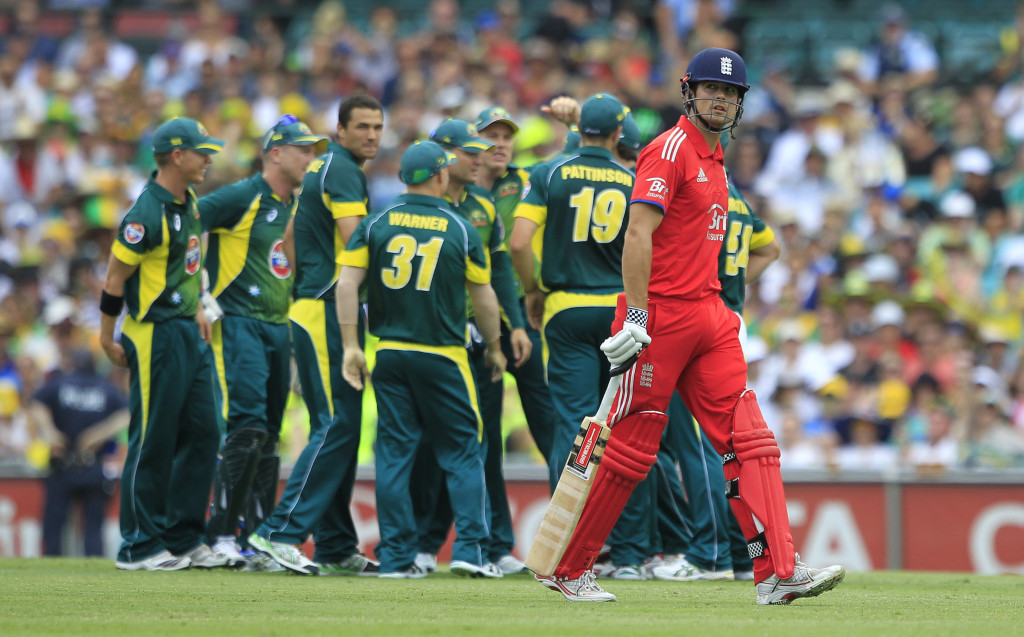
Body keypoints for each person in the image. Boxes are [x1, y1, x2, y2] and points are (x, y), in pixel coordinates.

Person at [539, 47, 845, 604]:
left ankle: (778, 572)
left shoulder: (717, 159)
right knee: (631, 452)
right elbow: (637, 235)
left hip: (709, 314)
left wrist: (726, 310)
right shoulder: (670, 149)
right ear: (689, 91)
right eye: (711, 89)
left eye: (730, 93)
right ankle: (569, 569)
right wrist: (634, 313)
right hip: (659, 315)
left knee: (753, 441)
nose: (720, 99)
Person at [337, 140, 507, 578]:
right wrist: (493, 345)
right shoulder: (460, 227)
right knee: (464, 452)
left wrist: (351, 344)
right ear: (439, 175)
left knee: (394, 455)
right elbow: (484, 296)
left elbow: (346, 284)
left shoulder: (376, 222)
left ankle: (396, 558)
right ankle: (470, 549)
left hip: (390, 353)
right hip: (443, 355)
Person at [248, 95, 384, 576]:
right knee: (335, 425)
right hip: (327, 310)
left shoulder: (322, 169)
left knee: (342, 426)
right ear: (341, 130)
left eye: (377, 127)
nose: (371, 135)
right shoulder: (344, 170)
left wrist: (303, 283)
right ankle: (280, 533)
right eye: (362, 126)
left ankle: (334, 543)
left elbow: (287, 238)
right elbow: (355, 240)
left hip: (314, 305)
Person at [100, 117, 230, 571]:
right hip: (154, 331)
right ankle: (139, 544)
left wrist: (197, 306)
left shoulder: (189, 202)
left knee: (206, 428)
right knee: (153, 436)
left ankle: (183, 534)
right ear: (177, 156)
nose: (208, 160)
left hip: (186, 328)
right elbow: (116, 278)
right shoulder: (145, 213)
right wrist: (105, 334)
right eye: (201, 152)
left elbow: (188, 266)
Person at [198, 115, 326, 567]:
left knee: (268, 437)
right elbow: (188, 223)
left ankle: (255, 539)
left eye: (314, 150)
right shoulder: (243, 196)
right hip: (239, 324)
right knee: (247, 428)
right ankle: (221, 536)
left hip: (279, 327)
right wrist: (197, 291)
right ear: (276, 153)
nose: (312, 158)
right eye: (304, 150)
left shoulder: (299, 205)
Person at [653, 146, 781, 582]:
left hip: (702, 320)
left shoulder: (701, 194)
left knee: (699, 445)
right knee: (728, 443)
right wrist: (737, 279)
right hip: (732, 320)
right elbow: (771, 249)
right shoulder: (741, 204)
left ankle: (708, 553)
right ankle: (743, 555)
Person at [509, 92, 634, 520]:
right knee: (623, 428)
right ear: (619, 134)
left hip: (566, 310)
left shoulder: (548, 173)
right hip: (620, 314)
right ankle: (632, 548)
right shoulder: (631, 181)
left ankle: (565, 536)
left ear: (578, 131)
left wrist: (533, 290)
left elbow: (519, 243)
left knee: (574, 424)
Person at [411, 118, 528, 576]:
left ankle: (494, 544)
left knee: (486, 443)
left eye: (482, 149)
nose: (480, 156)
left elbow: (499, 271)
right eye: (470, 150)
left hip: (478, 341)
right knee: (431, 446)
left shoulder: (482, 205)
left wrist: (513, 325)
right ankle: (425, 542)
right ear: (443, 155)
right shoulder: (424, 206)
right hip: (434, 339)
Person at [473, 105, 559, 469]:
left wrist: (570, 125)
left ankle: (569, 500)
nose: (502, 144)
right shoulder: (456, 193)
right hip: (477, 318)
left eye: (507, 137)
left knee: (548, 419)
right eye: (492, 136)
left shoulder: (527, 180)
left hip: (525, 312)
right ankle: (493, 526)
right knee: (484, 429)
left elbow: (571, 168)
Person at [27, 350, 128, 557]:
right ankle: (94, 573)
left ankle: (50, 572)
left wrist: (51, 433)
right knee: (92, 527)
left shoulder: (60, 383)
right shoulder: (106, 388)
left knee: (54, 527)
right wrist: (99, 434)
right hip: (92, 463)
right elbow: (127, 413)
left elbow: (35, 403)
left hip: (62, 461)